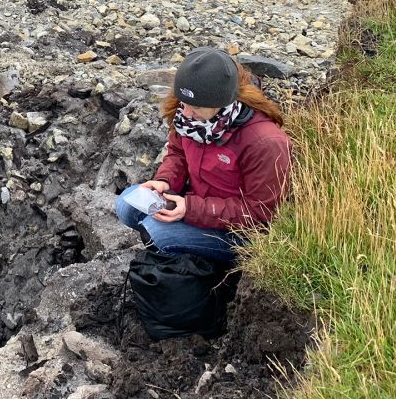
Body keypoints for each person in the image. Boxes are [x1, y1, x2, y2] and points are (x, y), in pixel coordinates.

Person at [116, 47, 291, 265]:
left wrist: (190, 209)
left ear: (221, 103)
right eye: (183, 103)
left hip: (238, 233)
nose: (186, 114)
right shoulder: (188, 118)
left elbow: (260, 213)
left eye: (196, 107)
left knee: (157, 232)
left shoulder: (265, 142)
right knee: (126, 205)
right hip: (196, 204)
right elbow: (178, 153)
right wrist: (164, 181)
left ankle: (206, 269)